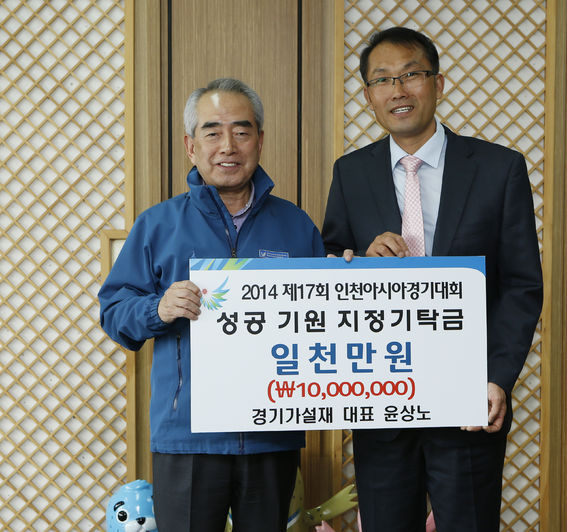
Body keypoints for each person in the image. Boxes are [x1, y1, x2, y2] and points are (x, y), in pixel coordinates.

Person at [322, 27, 543, 532]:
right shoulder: (350, 173)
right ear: (368, 96)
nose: (397, 90)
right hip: (381, 395)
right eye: (382, 80)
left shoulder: (499, 168)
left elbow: (522, 285)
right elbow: (333, 267)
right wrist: (360, 259)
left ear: (438, 83)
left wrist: (496, 378)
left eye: (411, 75)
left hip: (467, 396)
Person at [99, 78, 325, 532]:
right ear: (190, 146)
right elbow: (114, 312)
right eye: (212, 132)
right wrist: (158, 309)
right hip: (187, 437)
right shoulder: (157, 225)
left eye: (241, 132)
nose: (228, 146)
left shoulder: (297, 226)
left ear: (260, 140)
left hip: (271, 433)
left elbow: (325, 317)